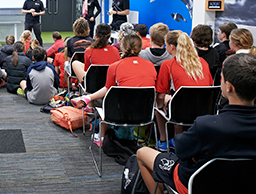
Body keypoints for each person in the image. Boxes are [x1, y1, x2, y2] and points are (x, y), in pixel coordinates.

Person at [137, 53, 256, 194]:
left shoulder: (207, 126)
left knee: (142, 152)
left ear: (228, 87)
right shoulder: (210, 126)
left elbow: (181, 151)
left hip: (196, 184)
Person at [71, 34, 157, 145]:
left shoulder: (115, 66)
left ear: (122, 47)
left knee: (108, 101)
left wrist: (90, 96)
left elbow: (107, 89)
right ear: (140, 48)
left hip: (119, 114)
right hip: (146, 114)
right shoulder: (150, 66)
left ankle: (101, 137)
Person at [155, 31, 213, 151]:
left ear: (171, 47)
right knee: (179, 100)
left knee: (160, 104)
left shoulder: (168, 65)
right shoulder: (202, 62)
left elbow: (160, 94)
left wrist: (162, 102)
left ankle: (163, 140)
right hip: (204, 109)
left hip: (181, 111)